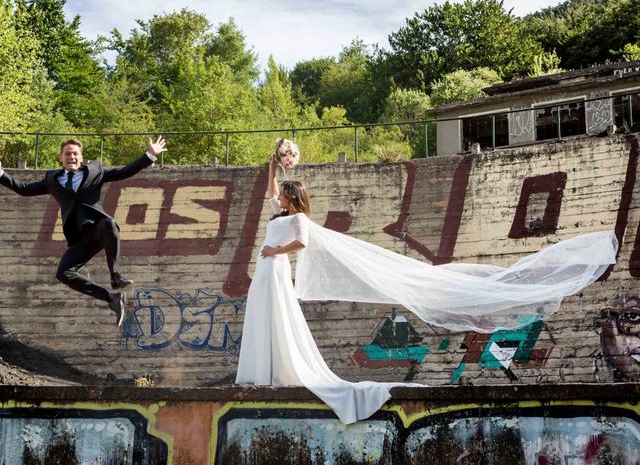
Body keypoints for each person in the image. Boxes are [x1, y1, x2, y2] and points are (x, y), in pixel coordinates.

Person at [235, 154, 619, 424]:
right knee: (265, 316)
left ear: (294, 197)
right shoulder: (279, 212)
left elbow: (301, 244)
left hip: (275, 266)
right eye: (280, 193)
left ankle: (278, 369)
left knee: (278, 318)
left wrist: (274, 249)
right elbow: (269, 191)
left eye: (284, 192)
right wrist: (272, 162)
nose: (280, 195)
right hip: (267, 269)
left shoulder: (298, 218)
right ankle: (264, 369)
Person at [0, 136, 167, 327]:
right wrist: (1, 174)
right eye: (67, 154)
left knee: (109, 223)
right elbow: (24, 189)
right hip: (78, 237)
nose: (71, 156)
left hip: (97, 229)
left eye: (75, 154)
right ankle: (111, 299)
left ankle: (115, 276)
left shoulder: (95, 171)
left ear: (81, 157)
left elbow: (123, 172)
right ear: (61, 158)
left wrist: (150, 156)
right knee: (63, 273)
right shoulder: (52, 179)